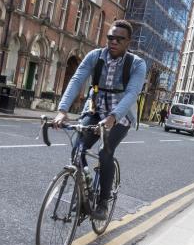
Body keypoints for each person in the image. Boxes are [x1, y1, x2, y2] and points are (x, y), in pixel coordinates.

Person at [53, 20, 147, 220]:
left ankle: (103, 201)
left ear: (128, 42)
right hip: (95, 109)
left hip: (120, 116)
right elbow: (77, 79)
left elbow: (132, 93)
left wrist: (113, 117)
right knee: (77, 148)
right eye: (110, 38)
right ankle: (84, 189)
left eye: (119, 39)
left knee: (105, 152)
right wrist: (62, 110)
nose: (113, 42)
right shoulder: (95, 56)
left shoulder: (137, 64)